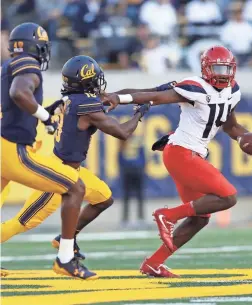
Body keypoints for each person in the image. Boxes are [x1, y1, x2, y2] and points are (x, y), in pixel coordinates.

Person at [103, 46, 252, 277]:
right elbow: (152, 95)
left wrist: (245, 137)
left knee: (200, 219)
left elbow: (230, 125)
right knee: (228, 197)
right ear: (205, 69)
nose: (222, 74)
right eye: (217, 68)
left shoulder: (233, 90)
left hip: (192, 154)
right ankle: (168, 215)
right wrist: (117, 97)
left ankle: (153, 263)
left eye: (226, 68)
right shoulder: (194, 87)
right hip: (180, 153)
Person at [1, 55, 151, 264]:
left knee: (103, 199)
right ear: (86, 80)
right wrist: (139, 114)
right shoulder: (85, 105)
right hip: (59, 174)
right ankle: (65, 248)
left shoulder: (71, 99)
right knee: (22, 222)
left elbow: (97, 104)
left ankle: (66, 238)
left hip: (74, 171)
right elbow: (122, 132)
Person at [1, 23, 90, 279]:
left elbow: (14, 102)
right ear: (34, 46)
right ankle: (65, 258)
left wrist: (45, 110)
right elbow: (19, 93)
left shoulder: (6, 67)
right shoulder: (26, 64)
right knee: (75, 187)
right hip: (11, 151)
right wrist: (45, 118)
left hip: (2, 146)